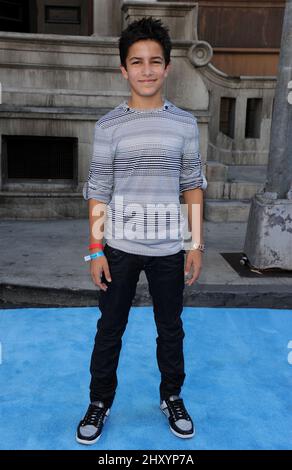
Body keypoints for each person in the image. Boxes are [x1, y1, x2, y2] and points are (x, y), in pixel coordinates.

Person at [76, 16, 207, 445]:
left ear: (168, 67)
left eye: (155, 61)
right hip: (119, 247)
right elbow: (99, 191)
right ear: (123, 69)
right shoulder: (109, 126)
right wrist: (96, 249)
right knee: (109, 327)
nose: (146, 70)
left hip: (170, 247)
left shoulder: (185, 124)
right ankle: (99, 401)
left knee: (170, 328)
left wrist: (195, 244)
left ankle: (172, 396)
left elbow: (191, 185)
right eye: (137, 62)